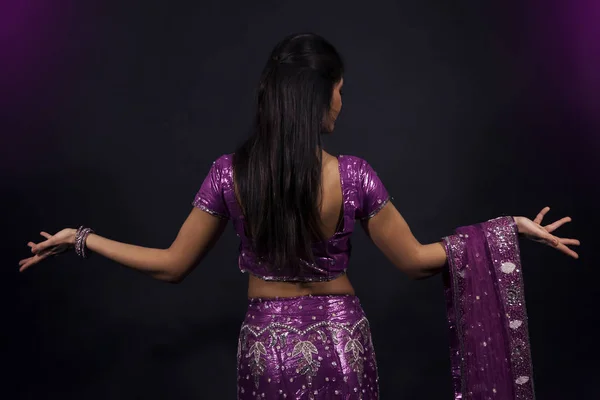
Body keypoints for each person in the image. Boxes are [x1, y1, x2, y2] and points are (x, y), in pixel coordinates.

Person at [19, 33, 579, 400]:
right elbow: (416, 262)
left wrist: (83, 240)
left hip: (266, 348)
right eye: (339, 91)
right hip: (342, 341)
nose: (342, 103)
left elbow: (171, 265)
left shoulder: (228, 174)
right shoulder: (354, 176)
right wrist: (504, 232)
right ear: (319, 97)